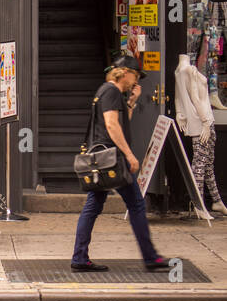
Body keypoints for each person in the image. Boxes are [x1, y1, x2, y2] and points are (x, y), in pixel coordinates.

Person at [70, 56, 172, 272]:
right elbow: (111, 124)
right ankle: (150, 257)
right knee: (135, 204)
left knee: (94, 206)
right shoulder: (111, 91)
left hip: (106, 159)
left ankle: (80, 257)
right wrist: (129, 155)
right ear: (125, 73)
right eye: (136, 76)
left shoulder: (109, 92)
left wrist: (132, 102)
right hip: (112, 160)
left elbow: (121, 122)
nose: (137, 82)